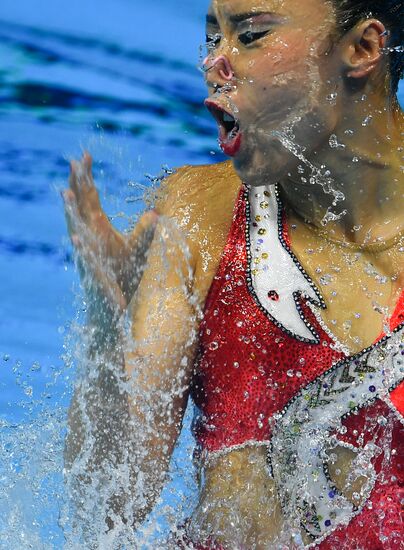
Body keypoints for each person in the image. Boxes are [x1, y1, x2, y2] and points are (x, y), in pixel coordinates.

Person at [63, 0, 404, 547]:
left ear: (362, 48)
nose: (214, 64)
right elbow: (105, 511)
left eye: (249, 36)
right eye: (211, 38)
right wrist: (106, 334)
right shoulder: (200, 217)